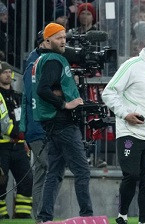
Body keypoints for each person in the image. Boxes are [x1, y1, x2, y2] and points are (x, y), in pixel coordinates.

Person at [102, 31, 145, 224]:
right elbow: (108, 93)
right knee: (131, 175)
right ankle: (122, 215)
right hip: (130, 132)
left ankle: (143, 221)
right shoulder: (132, 66)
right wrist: (125, 114)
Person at [33, 22, 93, 223]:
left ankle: (45, 217)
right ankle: (87, 215)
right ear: (47, 40)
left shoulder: (46, 59)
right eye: (58, 38)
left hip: (52, 124)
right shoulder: (53, 60)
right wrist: (65, 104)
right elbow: (43, 89)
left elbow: (45, 88)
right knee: (82, 171)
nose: (63, 41)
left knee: (55, 173)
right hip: (63, 123)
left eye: (64, 38)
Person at [18, 31, 48, 220]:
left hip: (45, 127)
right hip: (37, 128)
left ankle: (43, 215)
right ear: (43, 43)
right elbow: (30, 99)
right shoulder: (33, 65)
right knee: (45, 167)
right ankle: (41, 217)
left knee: (45, 172)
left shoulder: (50, 60)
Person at [0, 61, 33, 219]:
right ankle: (2, 217)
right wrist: (17, 133)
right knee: (1, 183)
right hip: (2, 147)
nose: (8, 74)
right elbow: (4, 123)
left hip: (19, 147)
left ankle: (23, 216)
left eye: (9, 72)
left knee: (27, 180)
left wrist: (25, 138)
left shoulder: (17, 96)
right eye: (4, 72)